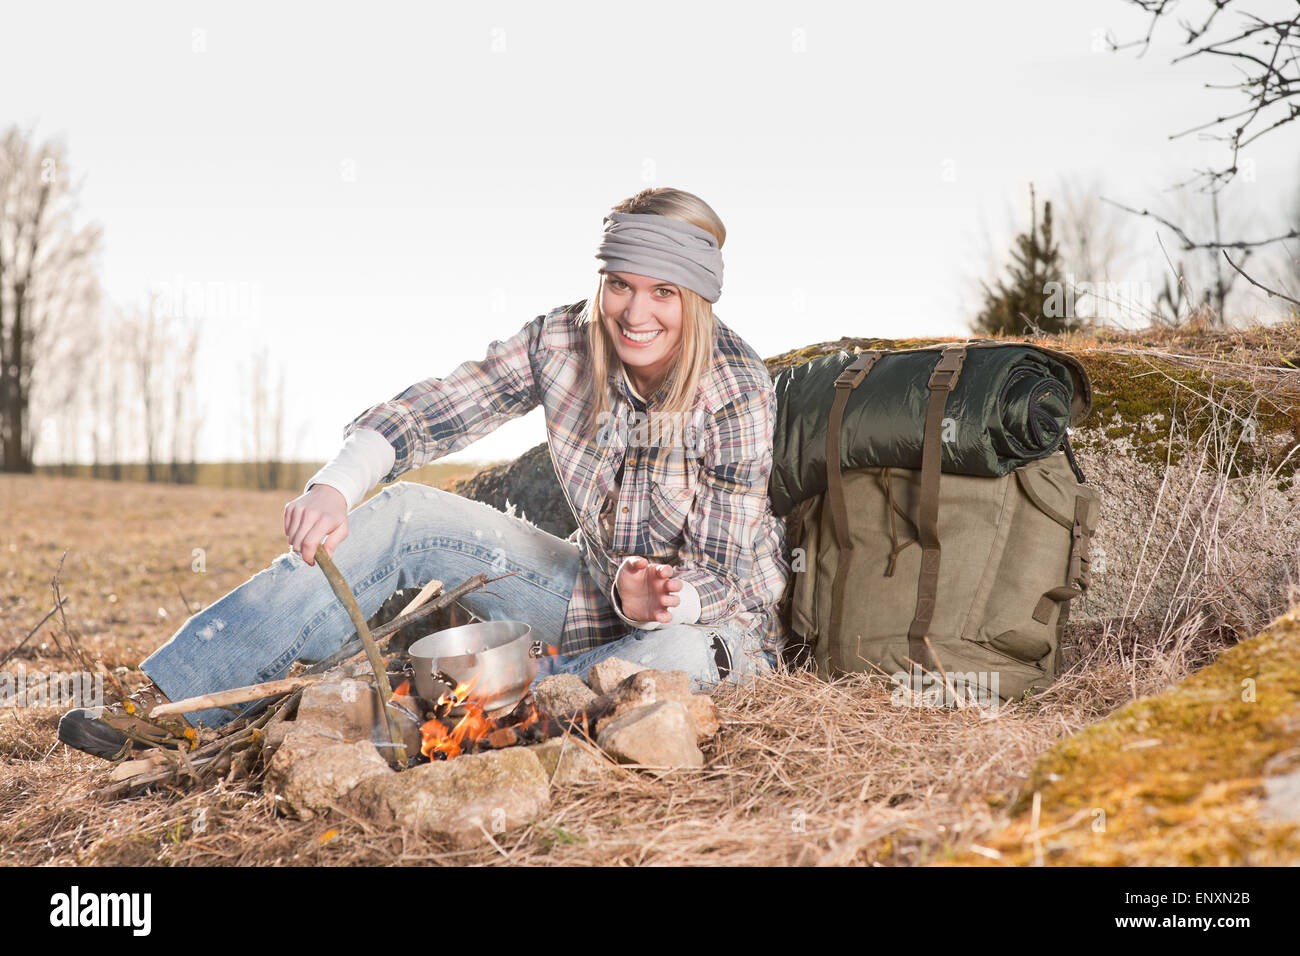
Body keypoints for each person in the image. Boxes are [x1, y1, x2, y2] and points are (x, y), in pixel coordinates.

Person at [58, 186, 792, 760]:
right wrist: (338, 483)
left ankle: (447, 706)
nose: (635, 312)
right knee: (409, 511)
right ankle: (173, 709)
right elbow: (439, 409)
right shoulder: (563, 340)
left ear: (695, 297)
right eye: (620, 284)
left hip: (708, 628)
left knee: (672, 656)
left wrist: (656, 600)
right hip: (588, 591)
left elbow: (722, 574)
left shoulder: (736, 386)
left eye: (663, 291)